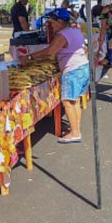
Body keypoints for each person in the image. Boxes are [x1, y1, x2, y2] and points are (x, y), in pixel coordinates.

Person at [22, 9, 89, 144]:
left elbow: (50, 51)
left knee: (67, 101)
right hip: (82, 67)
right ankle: (76, 129)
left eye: (52, 21)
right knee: (74, 101)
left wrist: (30, 57)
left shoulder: (62, 35)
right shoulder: (75, 30)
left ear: (59, 21)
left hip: (73, 71)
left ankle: (75, 133)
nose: (50, 24)